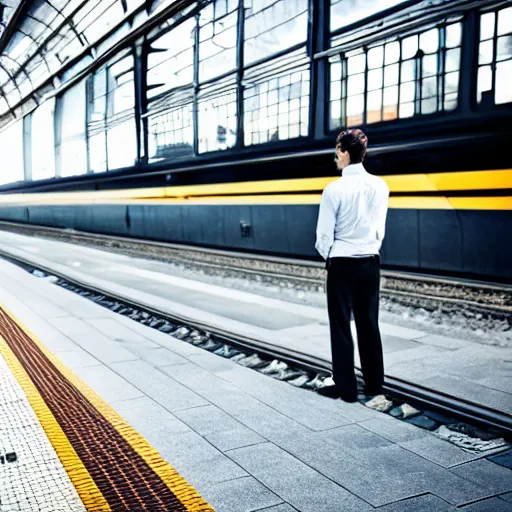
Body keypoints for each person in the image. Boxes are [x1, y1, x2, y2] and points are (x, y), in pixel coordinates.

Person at [315, 128, 389, 402]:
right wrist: (367, 249)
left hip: (342, 264)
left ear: (345, 153)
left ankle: (345, 388)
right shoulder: (381, 186)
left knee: (341, 325)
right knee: (369, 324)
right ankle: (375, 385)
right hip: (370, 263)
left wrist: (332, 257)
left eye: (337, 154)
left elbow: (323, 236)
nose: (336, 159)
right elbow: (379, 230)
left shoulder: (334, 189)